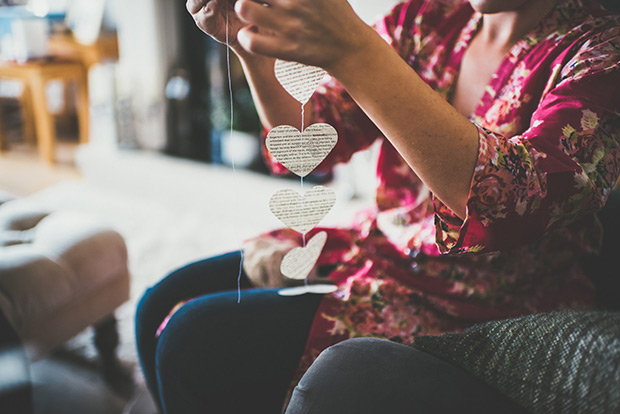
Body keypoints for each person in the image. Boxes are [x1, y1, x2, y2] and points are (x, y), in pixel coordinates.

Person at [135, 0, 620, 412]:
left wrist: (353, 49)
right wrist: (248, 44)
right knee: (158, 303)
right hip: (382, 253)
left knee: (193, 341)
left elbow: (510, 202)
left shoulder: (601, 54)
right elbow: (309, 146)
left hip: (486, 302)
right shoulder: (430, 17)